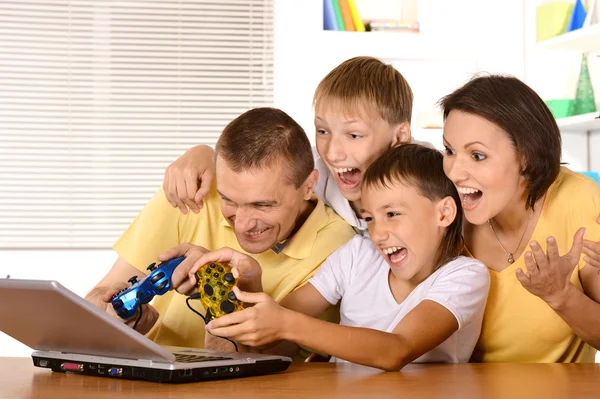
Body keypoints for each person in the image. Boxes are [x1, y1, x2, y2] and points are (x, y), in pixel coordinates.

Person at [191, 144, 490, 371]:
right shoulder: (358, 255)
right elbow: (271, 333)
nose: (378, 234)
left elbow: (396, 350)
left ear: (444, 213)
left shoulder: (465, 276)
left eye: (393, 214)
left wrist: (286, 324)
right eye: (370, 218)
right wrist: (250, 281)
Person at [84, 107, 356, 351]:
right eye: (229, 200)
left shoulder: (339, 248)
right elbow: (101, 292)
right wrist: (118, 318)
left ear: (308, 185)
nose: (243, 224)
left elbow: (271, 354)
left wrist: (216, 279)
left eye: (262, 205)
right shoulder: (192, 196)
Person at [440, 74, 600, 363]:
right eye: (449, 150)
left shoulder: (580, 201)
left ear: (526, 156)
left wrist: (561, 295)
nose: (454, 172)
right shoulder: (444, 208)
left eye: (477, 156)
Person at [162, 56, 417, 235]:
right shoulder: (313, 173)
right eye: (323, 131)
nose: (333, 152)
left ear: (399, 136)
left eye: (353, 135)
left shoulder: (431, 179)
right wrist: (203, 154)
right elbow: (251, 173)